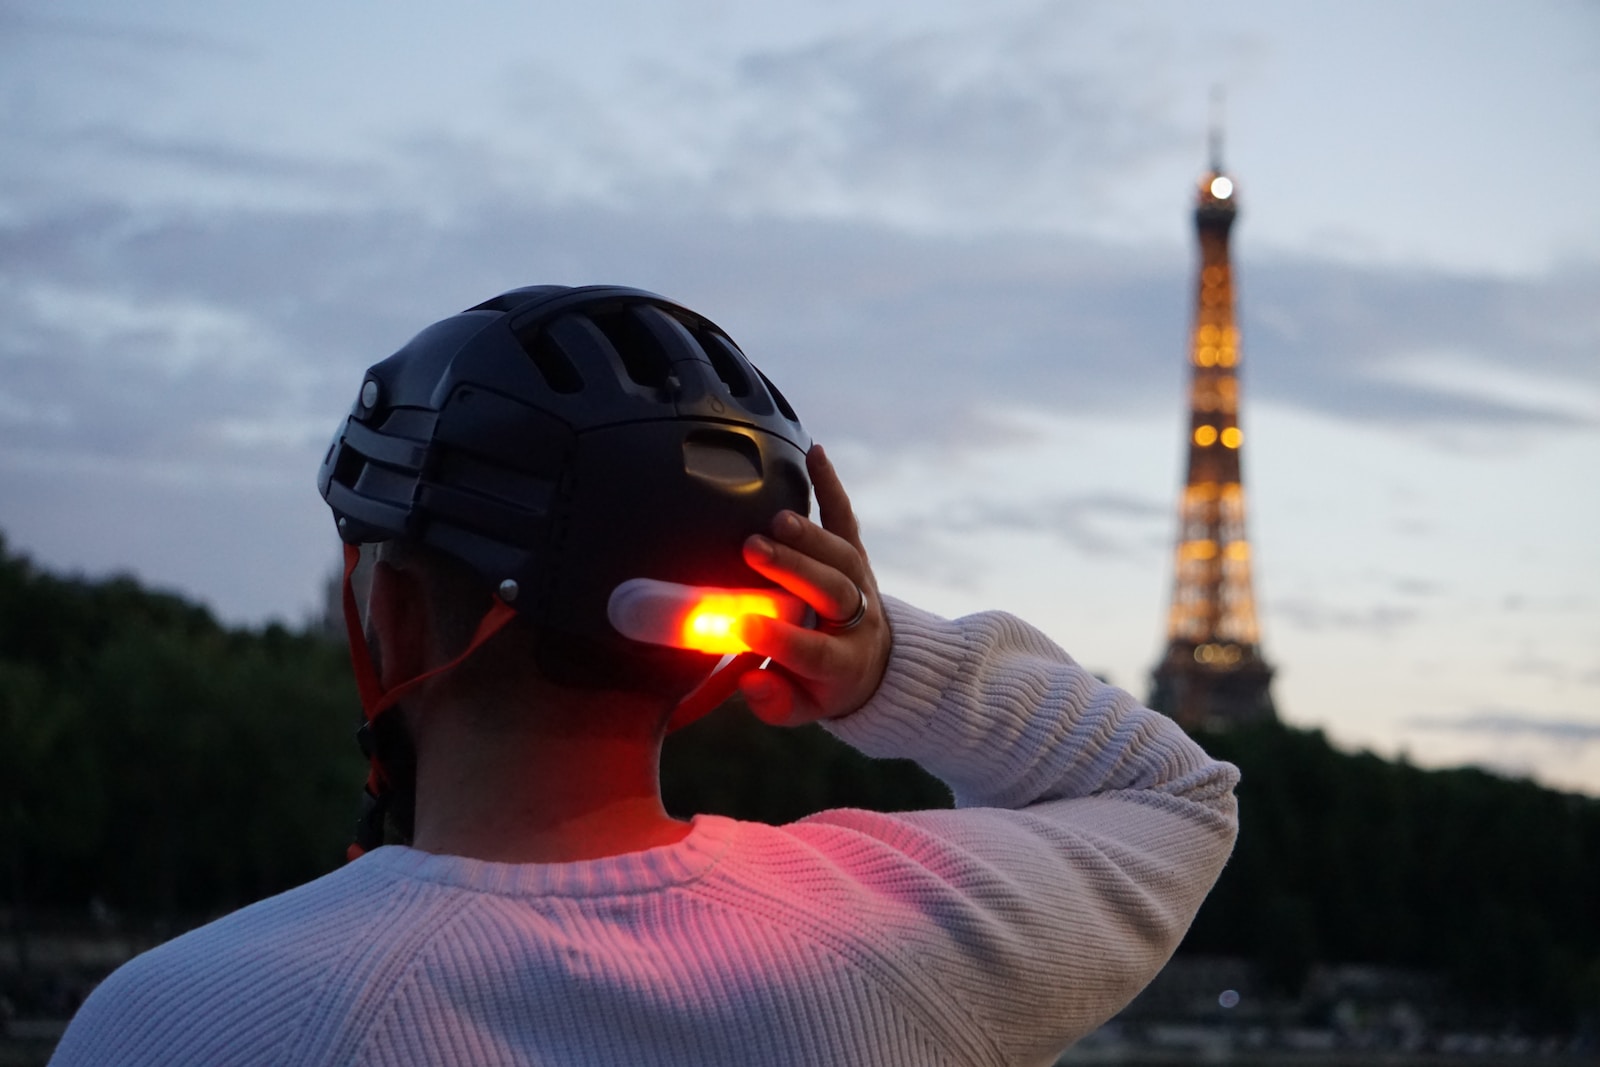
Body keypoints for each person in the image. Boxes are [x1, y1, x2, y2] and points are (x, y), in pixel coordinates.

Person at [50, 285, 1238, 1067]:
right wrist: (883, 665)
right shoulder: (893, 946)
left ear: (396, 611)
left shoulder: (179, 1020)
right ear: (727, 627)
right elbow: (1173, 793)